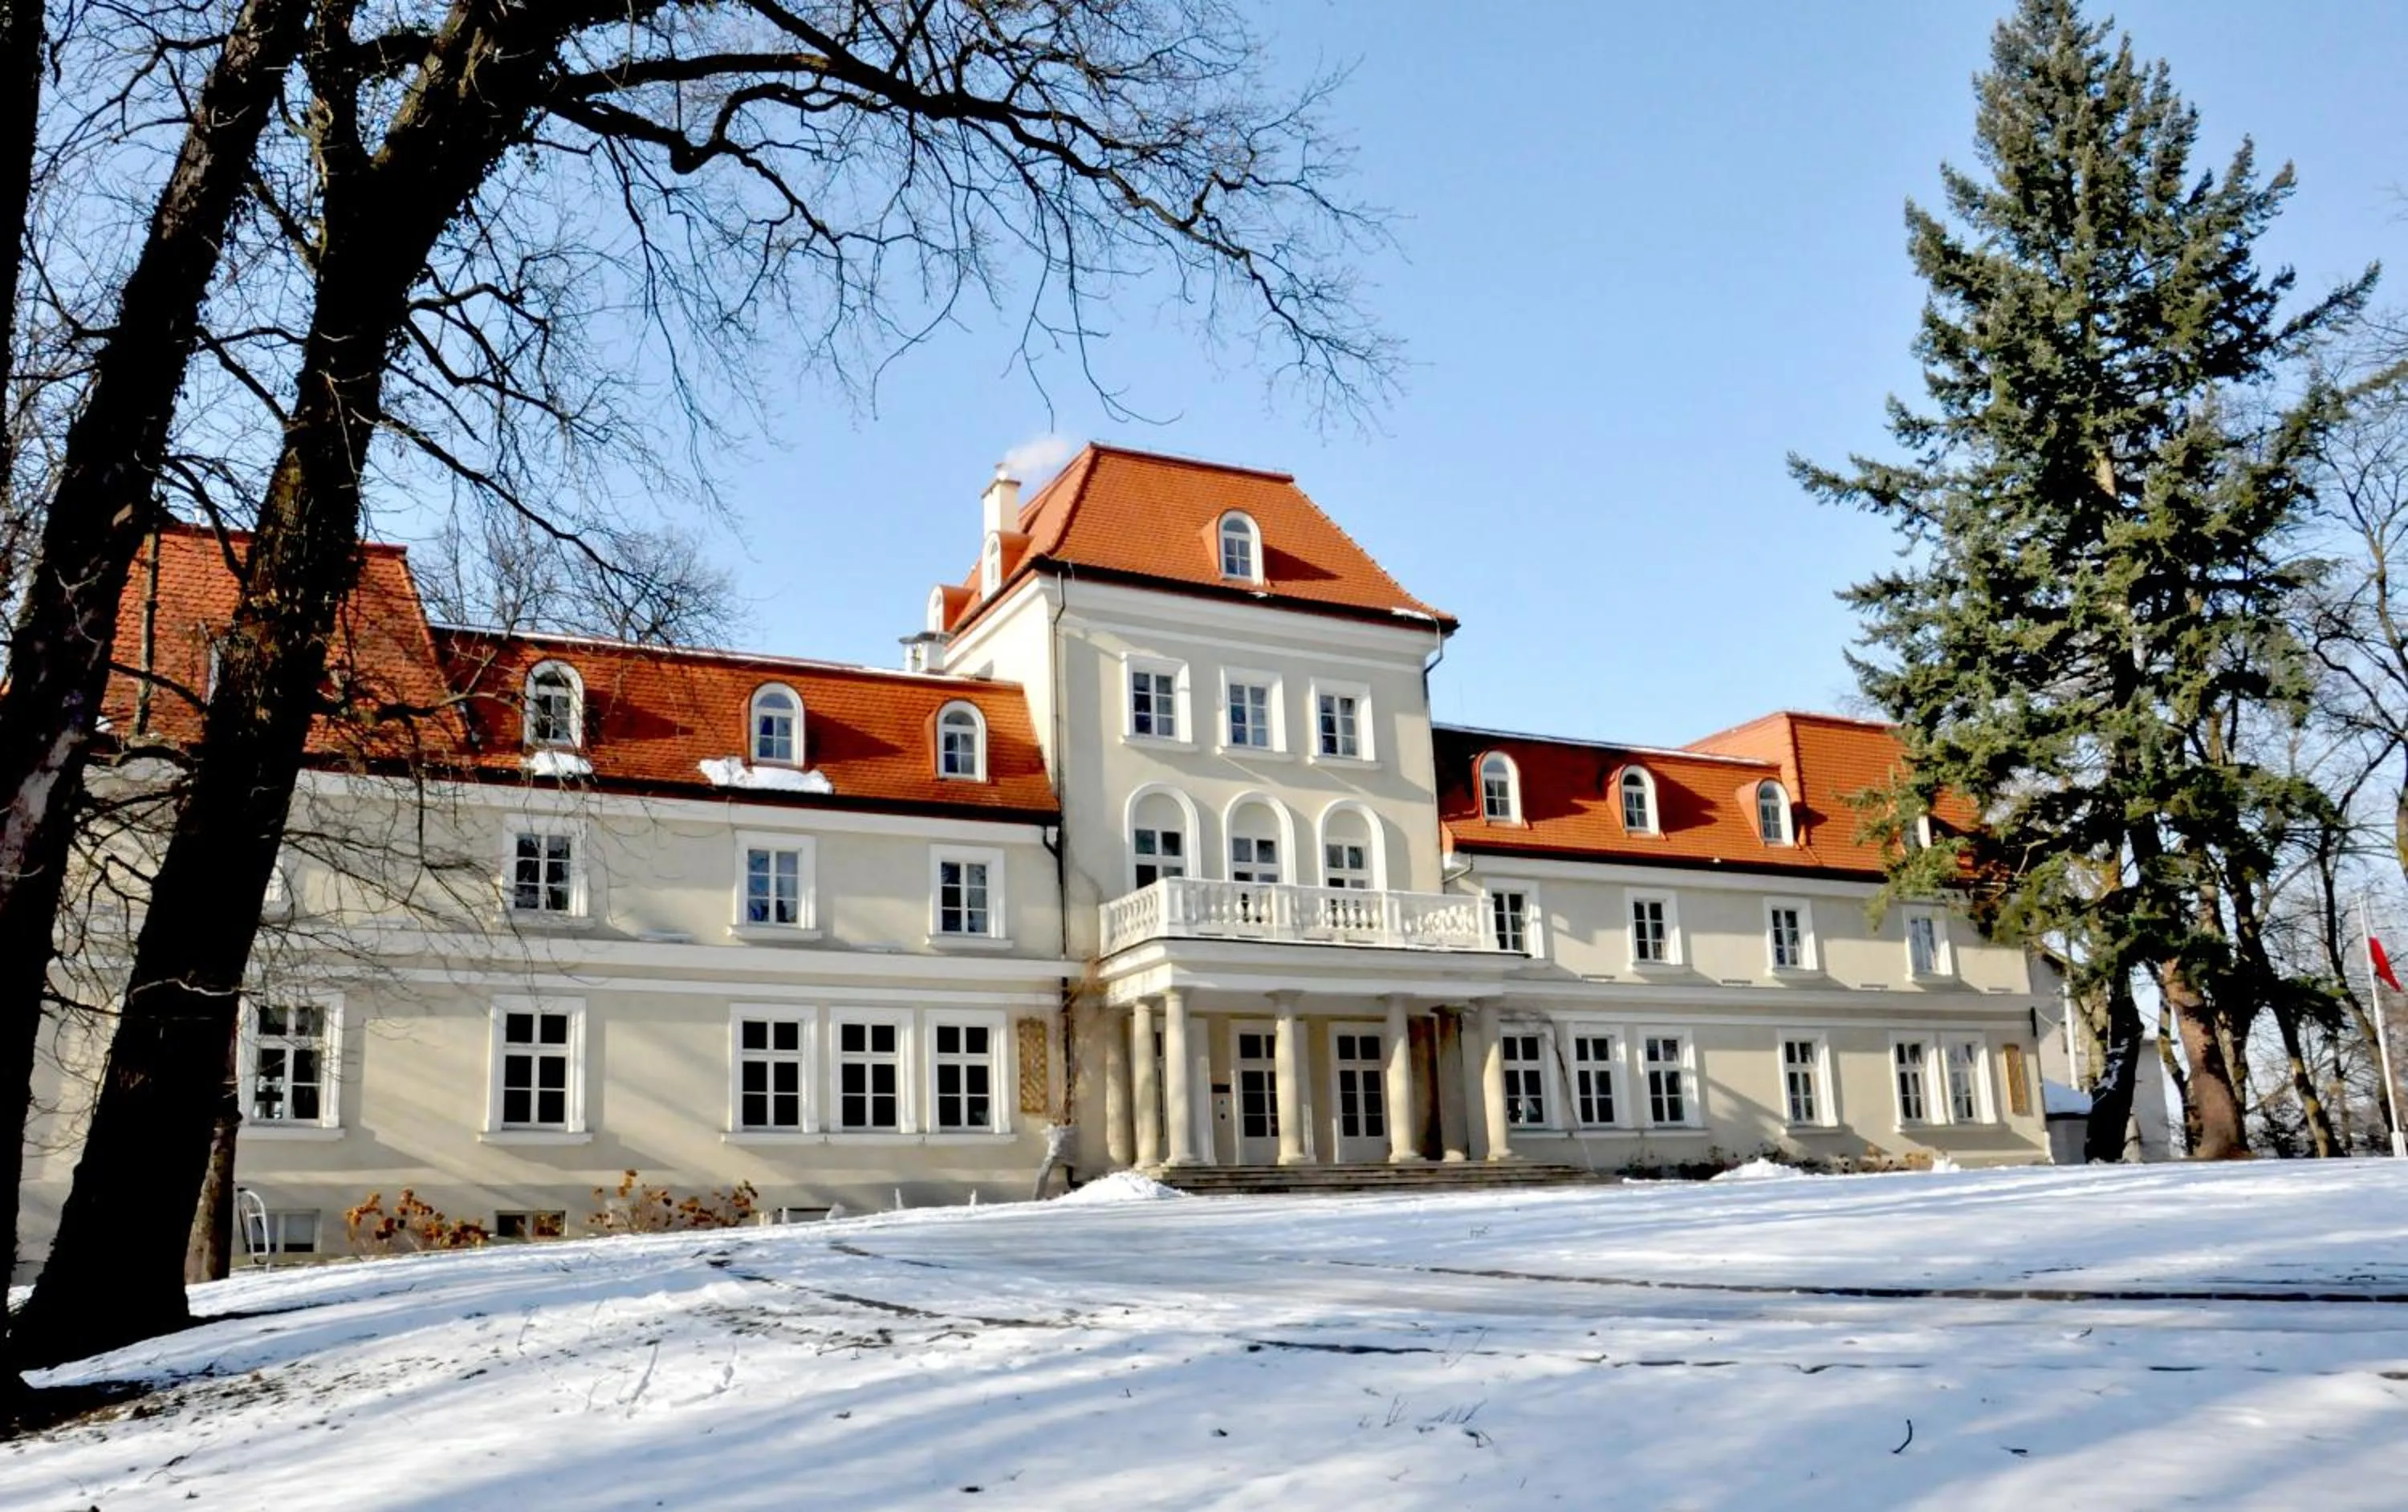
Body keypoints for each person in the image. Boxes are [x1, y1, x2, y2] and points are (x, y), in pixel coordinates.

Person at [1034, 1121, 1077, 1199]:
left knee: (1043, 1173)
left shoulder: (1063, 1131)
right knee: (1044, 1173)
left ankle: (1038, 1196)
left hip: (1058, 1156)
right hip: (1059, 1156)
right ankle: (1038, 1196)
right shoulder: (1067, 1131)